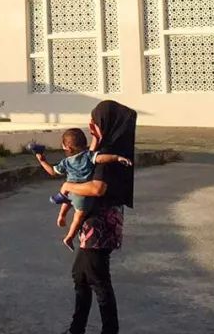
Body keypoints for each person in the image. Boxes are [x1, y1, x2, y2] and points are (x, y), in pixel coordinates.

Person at [57, 101, 137, 334]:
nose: (91, 124)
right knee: (80, 275)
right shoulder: (110, 147)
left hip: (99, 227)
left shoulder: (108, 153)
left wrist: (67, 185)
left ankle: (109, 330)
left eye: (95, 120)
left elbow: (97, 189)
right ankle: (76, 328)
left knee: (98, 280)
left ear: (105, 123)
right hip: (95, 225)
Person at [30, 129, 132, 250]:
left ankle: (61, 215)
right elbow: (101, 158)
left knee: (67, 201)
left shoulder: (66, 162)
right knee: (78, 218)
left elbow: (52, 172)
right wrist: (116, 157)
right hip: (82, 195)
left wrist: (42, 160)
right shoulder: (88, 156)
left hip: (70, 191)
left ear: (69, 148)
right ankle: (69, 237)